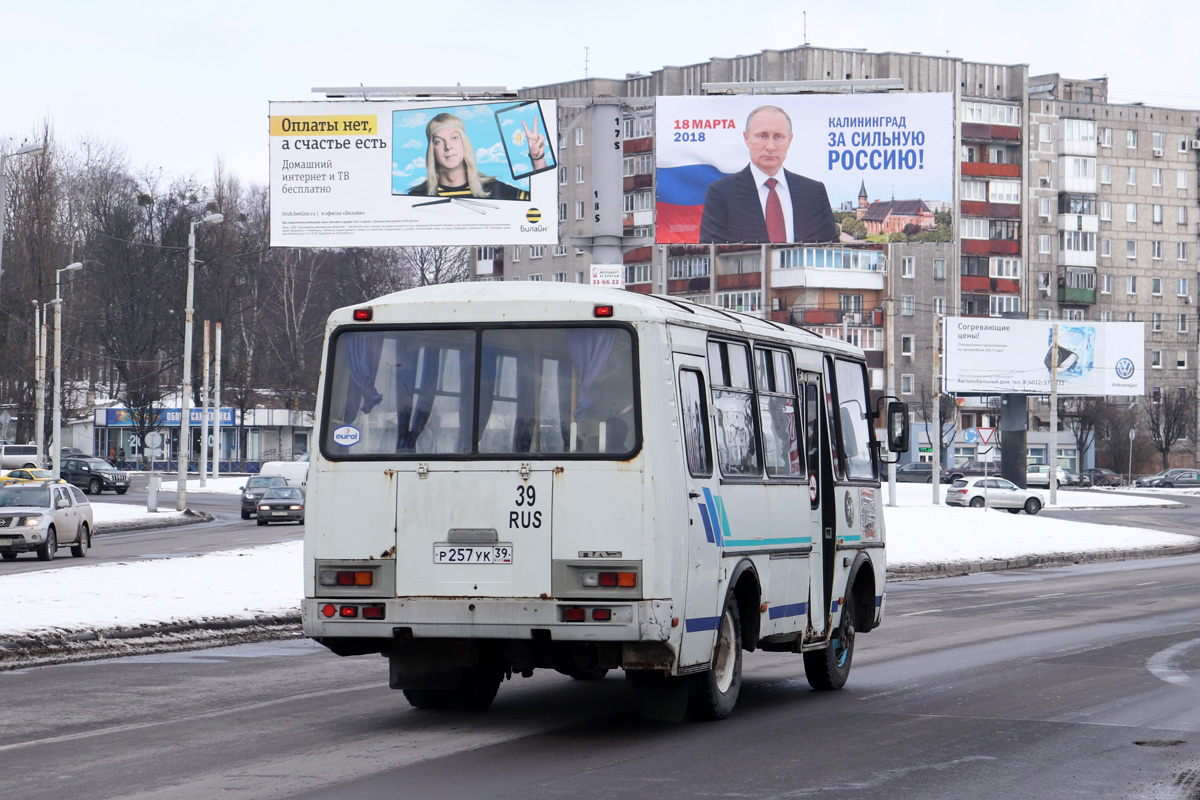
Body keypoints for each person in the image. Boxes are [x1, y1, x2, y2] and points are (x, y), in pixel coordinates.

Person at [698, 105, 838, 245]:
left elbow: (832, 253)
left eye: (778, 137)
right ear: (746, 138)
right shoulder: (723, 193)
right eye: (762, 136)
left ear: (789, 140)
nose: (770, 146)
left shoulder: (813, 193)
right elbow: (712, 256)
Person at [407, 113, 546, 201]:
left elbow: (542, 204)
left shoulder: (494, 190)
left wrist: (537, 159)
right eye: (438, 142)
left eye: (454, 138)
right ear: (431, 150)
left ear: (464, 143)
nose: (448, 146)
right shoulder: (417, 197)